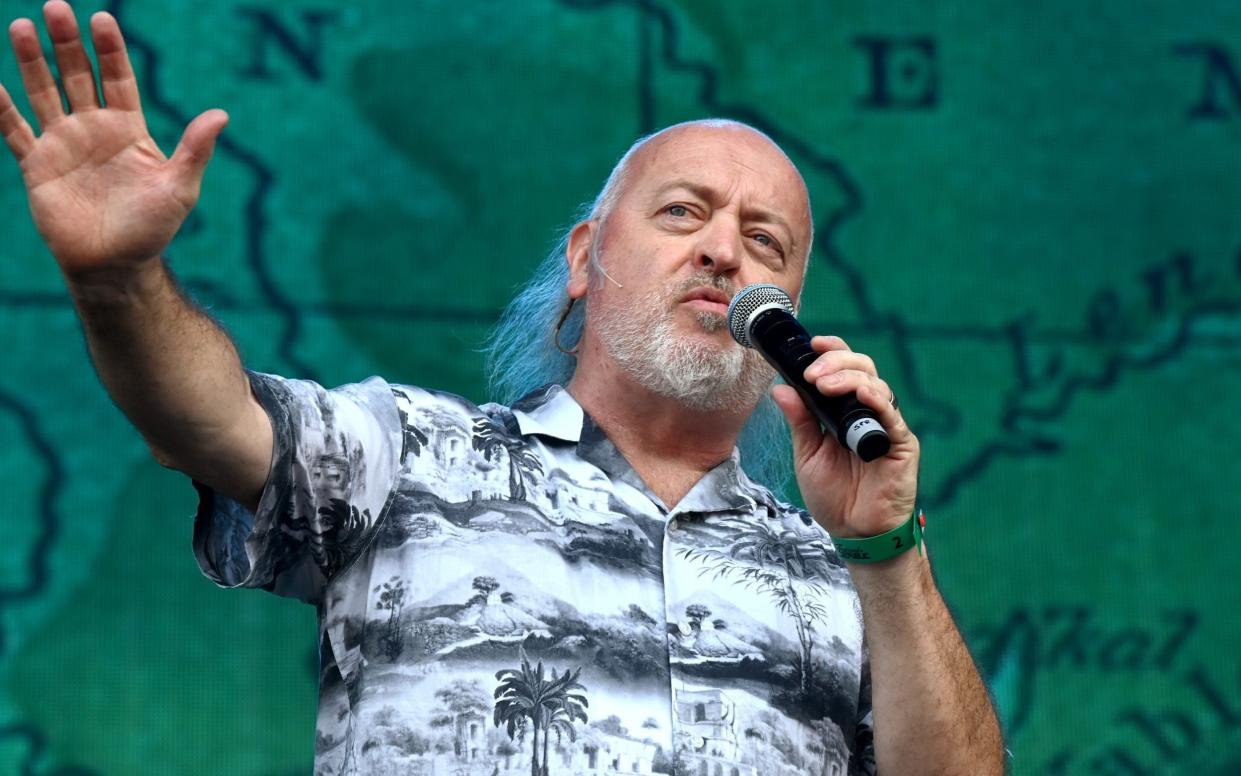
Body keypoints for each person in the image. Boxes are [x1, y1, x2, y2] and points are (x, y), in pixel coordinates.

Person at [1, 3, 1004, 775]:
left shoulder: (843, 575)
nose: (719, 250)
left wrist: (883, 545)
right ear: (585, 257)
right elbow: (202, 416)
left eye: (763, 241)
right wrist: (117, 277)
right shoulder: (410, 454)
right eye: (683, 212)